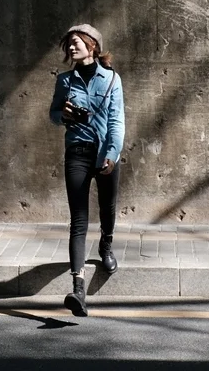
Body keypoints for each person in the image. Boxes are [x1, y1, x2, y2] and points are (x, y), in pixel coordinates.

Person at [49, 24, 125, 317]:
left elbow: (117, 121)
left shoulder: (111, 79)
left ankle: (106, 246)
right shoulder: (64, 81)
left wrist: (113, 154)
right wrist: (62, 115)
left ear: (92, 46)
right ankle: (78, 289)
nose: (71, 47)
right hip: (77, 152)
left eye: (76, 42)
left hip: (105, 153)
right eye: (68, 43)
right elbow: (53, 114)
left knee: (108, 207)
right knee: (78, 220)